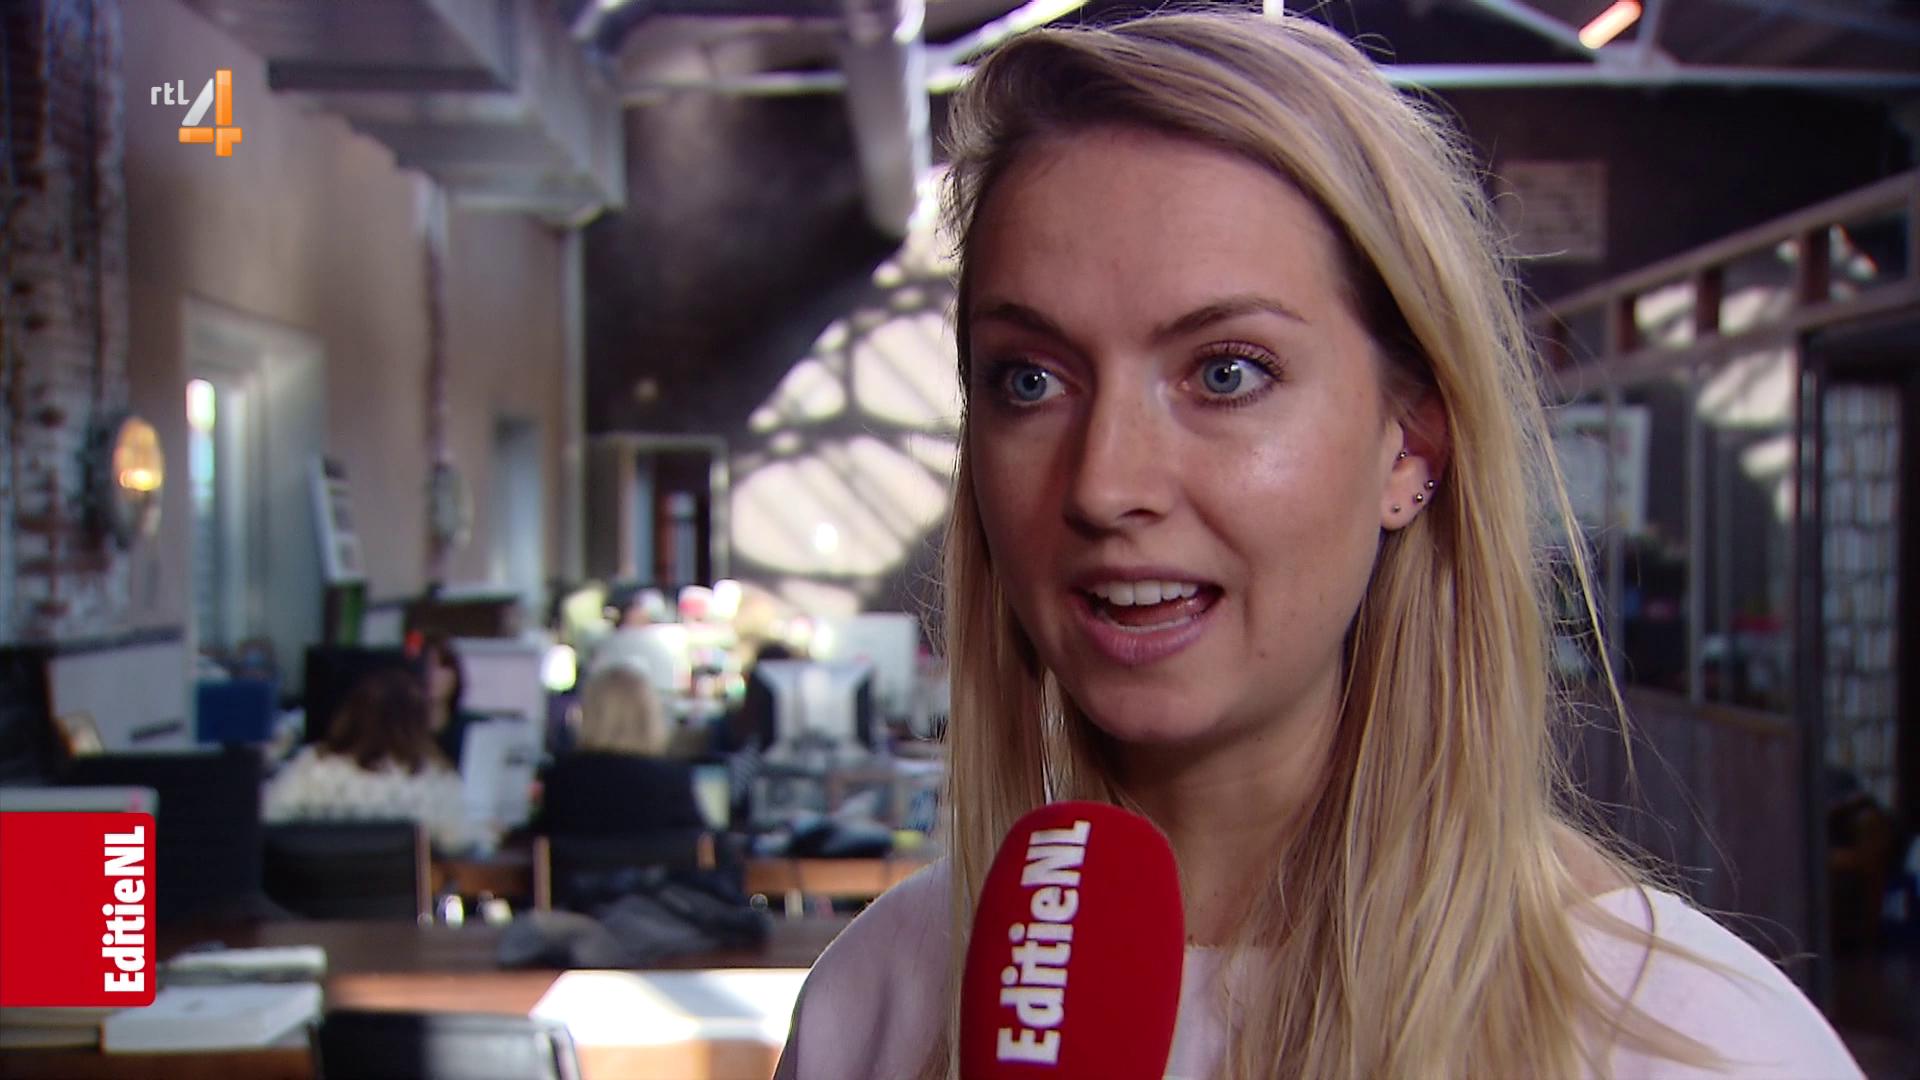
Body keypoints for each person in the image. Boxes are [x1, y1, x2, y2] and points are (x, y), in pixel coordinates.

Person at [775, 12, 1860, 1080]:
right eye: (1030, 379)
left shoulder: (1693, 1042)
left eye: (1227, 373)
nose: (1105, 484)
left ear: (1410, 444)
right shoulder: (876, 1002)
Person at [263, 667, 490, 853]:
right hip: (400, 896)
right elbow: (459, 840)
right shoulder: (434, 778)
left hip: (311, 894)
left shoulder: (314, 765)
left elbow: (267, 813)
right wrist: (488, 834)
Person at [538, 665, 707, 839]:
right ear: (649, 716)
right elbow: (702, 845)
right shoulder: (673, 781)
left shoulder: (562, 779)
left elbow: (542, 844)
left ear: (589, 714)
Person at [420, 631, 486, 768]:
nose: (432, 675)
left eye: (442, 666)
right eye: (425, 667)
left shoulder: (475, 730)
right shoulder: (399, 732)